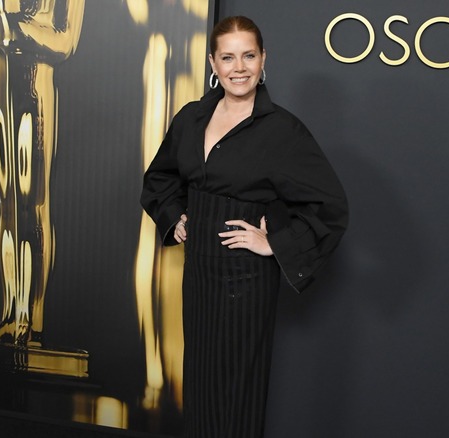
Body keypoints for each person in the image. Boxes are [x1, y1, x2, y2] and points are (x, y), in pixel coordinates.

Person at [140, 15, 348, 438]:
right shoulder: (192, 118)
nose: (239, 67)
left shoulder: (283, 130)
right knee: (201, 385)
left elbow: (331, 205)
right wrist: (174, 217)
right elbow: (159, 178)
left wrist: (275, 243)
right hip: (199, 274)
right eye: (228, 57)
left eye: (249, 56)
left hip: (246, 281)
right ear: (213, 64)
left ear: (263, 59)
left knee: (237, 390)